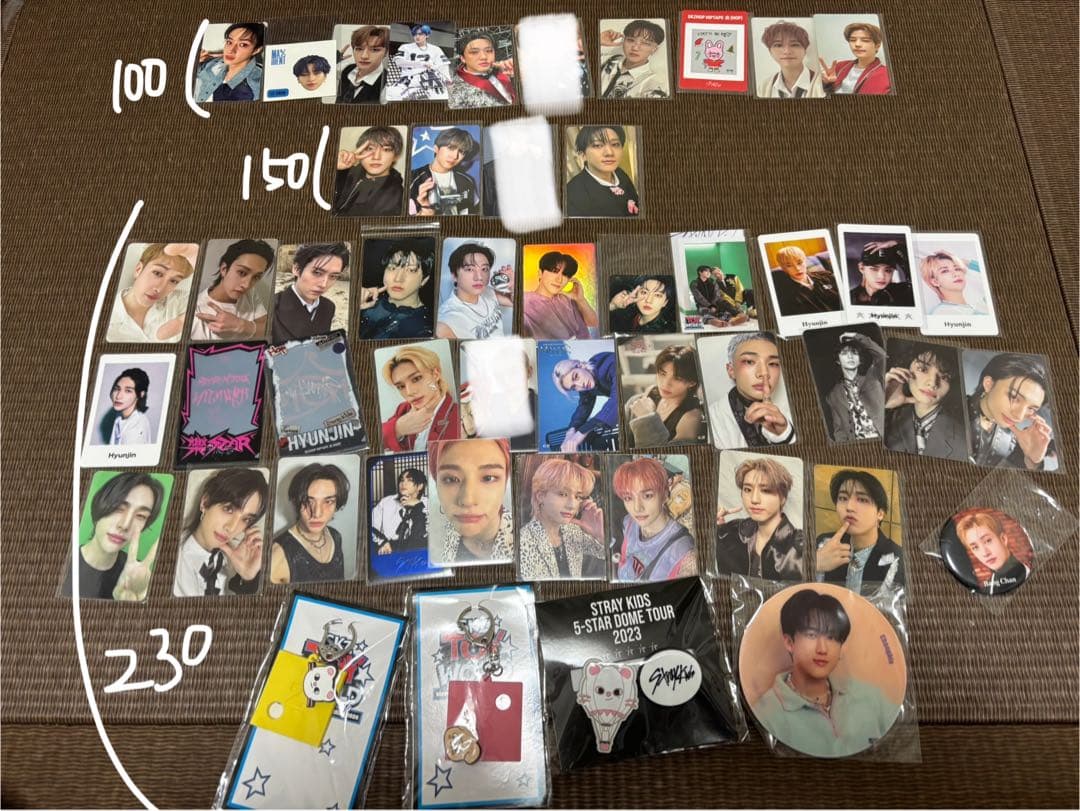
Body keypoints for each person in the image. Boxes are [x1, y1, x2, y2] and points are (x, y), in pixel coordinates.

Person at [751, 589, 900, 757]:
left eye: (832, 637)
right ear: (789, 642)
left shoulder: (870, 697)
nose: (822, 649)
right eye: (811, 634)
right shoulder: (767, 711)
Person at [62, 472, 166, 600]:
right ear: (100, 506)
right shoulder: (62, 563)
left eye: (140, 516)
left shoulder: (137, 576)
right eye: (118, 508)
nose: (125, 525)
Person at [173, 469, 268, 597]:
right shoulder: (170, 560)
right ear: (205, 502)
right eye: (228, 509)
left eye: (246, 519)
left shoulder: (233, 563)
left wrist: (248, 579)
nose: (231, 528)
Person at [715, 457, 805, 580]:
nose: (754, 499)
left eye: (765, 490)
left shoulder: (800, 547)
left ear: (783, 498)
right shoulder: (730, 532)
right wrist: (716, 528)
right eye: (747, 489)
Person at [814, 469, 904, 592]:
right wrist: (816, 563)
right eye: (843, 498)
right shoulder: (824, 544)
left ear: (880, 514)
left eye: (862, 500)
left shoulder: (897, 560)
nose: (849, 507)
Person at [429, 438, 514, 563]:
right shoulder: (438, 536)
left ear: (505, 483)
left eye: (488, 478)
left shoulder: (525, 543)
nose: (468, 500)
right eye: (451, 479)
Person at [518, 458, 606, 579]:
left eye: (578, 497)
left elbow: (604, 554)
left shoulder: (573, 531)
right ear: (540, 496)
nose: (572, 505)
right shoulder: (523, 542)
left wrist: (600, 536)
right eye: (563, 494)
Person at [613, 457, 698, 581]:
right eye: (628, 498)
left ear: (665, 495)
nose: (637, 508)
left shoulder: (683, 555)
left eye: (647, 496)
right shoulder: (629, 522)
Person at [966, 353, 1055, 471]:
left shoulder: (1011, 442)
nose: (1019, 416)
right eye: (1014, 397)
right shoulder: (951, 406)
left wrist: (1032, 461)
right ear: (989, 384)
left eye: (1031, 408)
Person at [710, 333, 795, 448]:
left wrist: (784, 434)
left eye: (773, 363)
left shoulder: (797, 410)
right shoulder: (711, 419)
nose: (764, 373)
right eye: (749, 362)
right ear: (731, 370)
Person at [884, 344, 967, 461]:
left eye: (944, 377)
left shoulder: (963, 439)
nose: (932, 383)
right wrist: (883, 404)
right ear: (905, 369)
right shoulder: (888, 416)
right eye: (923, 369)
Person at [270, 464, 350, 584]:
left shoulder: (335, 536)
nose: (317, 513)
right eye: (308, 501)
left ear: (337, 504)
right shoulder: (278, 555)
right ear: (296, 502)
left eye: (328, 501)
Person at [107, 243, 197, 343]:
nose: (160, 289)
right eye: (157, 273)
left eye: (173, 281)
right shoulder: (104, 319)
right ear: (138, 270)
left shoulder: (179, 301)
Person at [190, 239, 276, 341]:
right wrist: (253, 328)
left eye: (256, 277)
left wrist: (242, 326)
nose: (247, 285)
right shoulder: (196, 311)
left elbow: (270, 328)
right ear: (224, 269)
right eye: (242, 273)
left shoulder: (250, 293)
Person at [381, 345, 460, 452]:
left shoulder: (457, 415)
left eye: (416, 378)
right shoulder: (403, 409)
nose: (410, 392)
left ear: (435, 374)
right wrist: (398, 429)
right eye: (401, 386)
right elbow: (375, 439)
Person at [624, 344, 706, 447]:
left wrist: (647, 418)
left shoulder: (691, 417)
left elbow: (670, 453)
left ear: (692, 382)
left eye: (677, 378)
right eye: (663, 374)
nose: (665, 384)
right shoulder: (652, 392)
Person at [271, 242, 349, 344]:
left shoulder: (328, 307)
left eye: (333, 276)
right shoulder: (270, 308)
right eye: (317, 273)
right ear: (297, 269)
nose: (324, 284)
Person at [358, 240, 434, 339]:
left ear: (424, 280)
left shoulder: (426, 328)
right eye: (392, 268)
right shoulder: (367, 301)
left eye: (411, 270)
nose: (398, 279)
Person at [436, 242, 513, 339]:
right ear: (454, 275)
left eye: (484, 269)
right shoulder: (446, 321)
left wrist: (513, 285)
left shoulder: (488, 291)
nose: (479, 277)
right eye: (470, 269)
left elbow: (515, 302)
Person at [822, 331, 886, 442]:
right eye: (844, 353)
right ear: (838, 360)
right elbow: (839, 431)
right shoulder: (833, 395)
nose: (850, 356)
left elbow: (882, 356)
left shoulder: (873, 376)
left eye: (854, 353)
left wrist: (856, 336)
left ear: (860, 360)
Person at [565, 126, 641, 217]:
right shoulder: (571, 195)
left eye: (615, 144)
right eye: (598, 145)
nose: (609, 152)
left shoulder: (620, 173)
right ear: (583, 155)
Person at [523, 251, 598, 339]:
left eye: (565, 274)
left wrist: (581, 300)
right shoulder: (525, 301)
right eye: (554, 271)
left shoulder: (567, 299)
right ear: (540, 273)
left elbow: (593, 323)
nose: (559, 280)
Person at [333, 127, 405, 216]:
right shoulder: (344, 173)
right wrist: (333, 167)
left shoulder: (398, 199)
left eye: (386, 149)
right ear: (360, 152)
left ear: (396, 156)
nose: (376, 157)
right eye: (369, 149)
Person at [553, 353, 618, 452]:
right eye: (574, 387)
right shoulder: (586, 381)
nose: (580, 385)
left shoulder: (610, 364)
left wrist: (581, 432)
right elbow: (584, 405)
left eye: (576, 376)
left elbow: (617, 400)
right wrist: (570, 431)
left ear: (580, 365)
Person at [408, 127, 480, 216]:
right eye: (451, 148)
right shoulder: (412, 178)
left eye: (461, 152)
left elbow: (475, 213)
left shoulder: (467, 181)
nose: (455, 156)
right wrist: (426, 210)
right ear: (436, 149)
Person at [955, 512, 1031, 595]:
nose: (985, 553)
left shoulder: (1029, 573)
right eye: (975, 547)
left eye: (988, 541)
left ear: (1003, 539)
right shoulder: (987, 589)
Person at [598, 19, 669, 99]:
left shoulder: (653, 85)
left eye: (645, 43)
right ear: (623, 40)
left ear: (654, 49)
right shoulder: (606, 59)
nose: (635, 48)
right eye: (631, 40)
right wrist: (598, 40)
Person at [195, 22, 265, 102]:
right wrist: (195, 63)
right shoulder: (213, 64)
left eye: (243, 44)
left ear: (256, 50)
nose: (231, 50)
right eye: (229, 42)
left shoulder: (257, 84)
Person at [819, 22, 892, 95]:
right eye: (853, 40)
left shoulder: (886, 74)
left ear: (877, 46)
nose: (857, 44)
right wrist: (827, 83)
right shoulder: (840, 66)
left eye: (865, 40)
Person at [757, 20, 825, 98]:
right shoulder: (764, 87)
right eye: (778, 45)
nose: (787, 51)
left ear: (805, 50)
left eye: (794, 45)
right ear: (770, 51)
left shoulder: (822, 84)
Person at [449, 31, 517, 107]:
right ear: (463, 58)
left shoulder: (503, 70)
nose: (483, 57)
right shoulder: (455, 91)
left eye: (488, 51)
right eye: (474, 52)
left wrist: (517, 77)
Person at [769, 245, 842, 316]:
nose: (797, 268)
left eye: (799, 263)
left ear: (805, 261)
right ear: (783, 268)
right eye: (789, 265)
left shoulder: (827, 276)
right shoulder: (784, 294)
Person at [370, 468, 428, 554]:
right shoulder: (386, 502)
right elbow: (370, 526)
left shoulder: (427, 504)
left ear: (420, 486)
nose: (403, 483)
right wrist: (382, 542)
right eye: (402, 480)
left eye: (409, 480)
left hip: (416, 554)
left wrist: (418, 507)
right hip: (388, 551)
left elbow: (426, 536)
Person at [919, 249, 989, 315]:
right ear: (935, 282)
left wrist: (962, 261)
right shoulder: (941, 313)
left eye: (957, 269)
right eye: (945, 271)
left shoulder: (980, 306)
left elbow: (991, 272)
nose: (956, 274)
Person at [848, 240, 913, 307]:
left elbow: (916, 279)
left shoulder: (903, 293)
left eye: (888, 270)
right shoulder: (849, 299)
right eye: (874, 269)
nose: (882, 276)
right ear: (861, 268)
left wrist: (897, 246)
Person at [336, 25, 389, 103]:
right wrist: (334, 60)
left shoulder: (388, 87)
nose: (364, 56)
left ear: (386, 53)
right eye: (359, 49)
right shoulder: (347, 68)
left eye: (374, 50)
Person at [99, 369, 152, 446]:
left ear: (141, 394)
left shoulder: (135, 430)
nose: (118, 396)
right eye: (117, 389)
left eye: (128, 391)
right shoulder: (120, 415)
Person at [608, 276, 676, 333]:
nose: (648, 300)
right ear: (636, 294)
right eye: (644, 292)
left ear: (665, 302)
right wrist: (613, 305)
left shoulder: (665, 331)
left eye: (657, 295)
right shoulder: (626, 313)